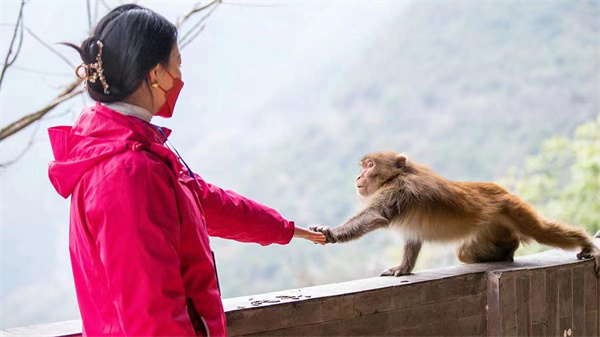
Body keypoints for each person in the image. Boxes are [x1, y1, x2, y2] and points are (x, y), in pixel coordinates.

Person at [47, 4, 325, 336]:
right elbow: (152, 316)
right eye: (176, 65)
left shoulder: (129, 147)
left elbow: (203, 201)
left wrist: (283, 230)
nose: (180, 77)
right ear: (154, 74)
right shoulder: (128, 173)